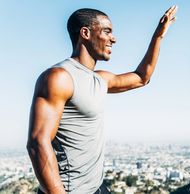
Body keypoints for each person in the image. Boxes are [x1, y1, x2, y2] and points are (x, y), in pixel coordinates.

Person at [27, 6, 177, 194]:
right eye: (107, 31)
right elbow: (37, 143)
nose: (113, 39)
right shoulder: (59, 77)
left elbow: (141, 77)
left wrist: (159, 35)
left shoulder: (99, 79)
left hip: (97, 187)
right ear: (85, 33)